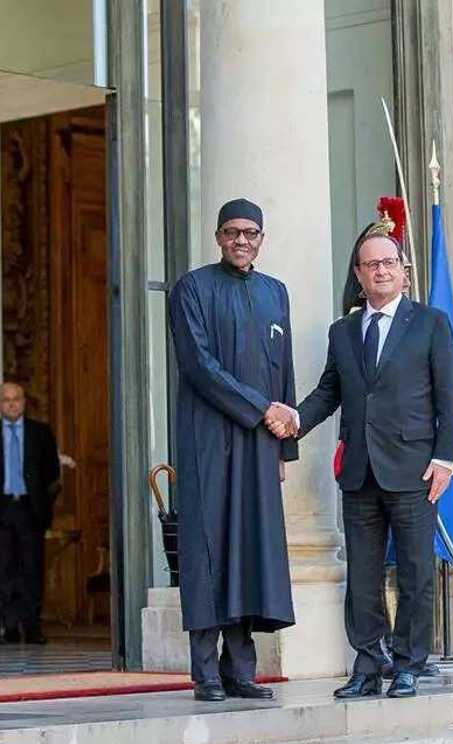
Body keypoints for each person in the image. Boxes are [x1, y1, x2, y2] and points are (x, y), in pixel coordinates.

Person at [290, 199, 453, 699]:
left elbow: (451, 396)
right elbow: (329, 391)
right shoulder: (342, 331)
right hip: (360, 471)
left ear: (403, 272)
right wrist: (297, 419)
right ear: (359, 274)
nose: (381, 271)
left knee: (414, 573)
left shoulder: (430, 323)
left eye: (389, 263)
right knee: (362, 577)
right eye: (372, 265)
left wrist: (445, 459)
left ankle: (408, 664)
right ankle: (367, 663)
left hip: (415, 470)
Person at [168, 198, 298, 702]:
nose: (241, 241)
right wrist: (259, 406)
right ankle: (205, 673)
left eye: (250, 233)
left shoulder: (275, 293)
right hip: (207, 438)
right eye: (231, 232)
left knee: (250, 549)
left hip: (260, 443)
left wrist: (284, 449)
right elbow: (198, 364)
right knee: (208, 550)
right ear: (217, 237)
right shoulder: (193, 288)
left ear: (262, 238)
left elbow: (282, 370)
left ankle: (240, 671)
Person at [0, 382, 60, 645]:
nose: (12, 403)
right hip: (0, 509)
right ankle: (9, 626)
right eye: (6, 399)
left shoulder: (41, 432)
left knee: (31, 569)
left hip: (30, 509)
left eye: (16, 399)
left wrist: (43, 503)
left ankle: (33, 625)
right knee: (3, 570)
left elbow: (52, 473)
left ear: (24, 402)